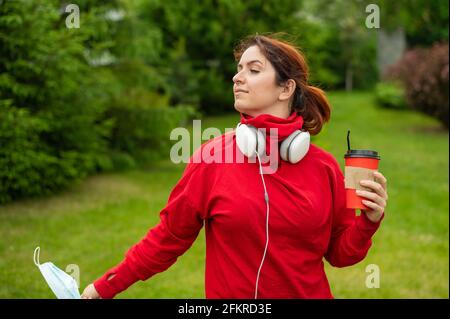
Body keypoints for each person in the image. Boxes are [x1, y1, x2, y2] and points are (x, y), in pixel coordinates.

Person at [81, 33, 388, 299]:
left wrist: (369, 221)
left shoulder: (324, 168)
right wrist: (104, 287)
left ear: (286, 89)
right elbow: (167, 238)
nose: (236, 77)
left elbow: (341, 254)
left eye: (253, 70)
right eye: (238, 69)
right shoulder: (211, 160)